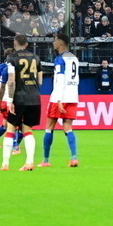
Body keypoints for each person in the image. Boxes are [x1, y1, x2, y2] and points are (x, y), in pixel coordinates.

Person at [1, 34, 43, 172]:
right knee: (28, 130)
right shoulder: (36, 58)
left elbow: (11, 80)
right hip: (34, 97)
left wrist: (10, 100)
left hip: (19, 97)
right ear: (26, 44)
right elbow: (40, 81)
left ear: (15, 43)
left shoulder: (12, 58)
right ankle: (29, 162)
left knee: (10, 128)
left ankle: (5, 164)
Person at [41, 33, 80, 167]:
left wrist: (58, 100)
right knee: (68, 127)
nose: (53, 43)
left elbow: (60, 79)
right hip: (73, 95)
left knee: (49, 127)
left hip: (60, 96)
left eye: (55, 41)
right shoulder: (74, 58)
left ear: (61, 43)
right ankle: (73, 158)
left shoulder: (59, 59)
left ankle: (46, 160)